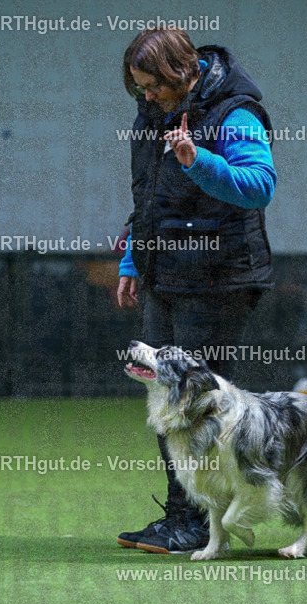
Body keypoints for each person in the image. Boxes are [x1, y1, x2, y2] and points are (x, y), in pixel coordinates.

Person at [116, 27, 277, 553]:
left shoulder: (236, 113)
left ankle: (203, 520)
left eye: (153, 86)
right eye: (139, 88)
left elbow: (259, 186)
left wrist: (197, 161)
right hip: (165, 272)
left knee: (201, 407)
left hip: (219, 279)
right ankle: (183, 516)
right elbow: (150, 201)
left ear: (181, 73)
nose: (146, 96)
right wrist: (131, 258)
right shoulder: (154, 114)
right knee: (167, 399)